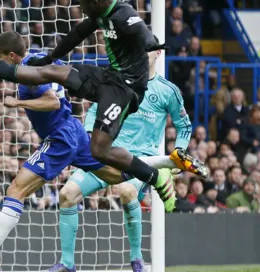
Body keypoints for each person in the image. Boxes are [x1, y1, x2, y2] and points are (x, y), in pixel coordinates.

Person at [0, 32, 203, 271]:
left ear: (12, 57)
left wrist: (18, 102)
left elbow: (51, 100)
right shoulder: (37, 57)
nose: (0, 63)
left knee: (16, 189)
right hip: (74, 130)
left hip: (61, 136)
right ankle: (165, 165)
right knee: (116, 175)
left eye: (0, 58)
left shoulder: (29, 73)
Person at [0, 0, 183, 212]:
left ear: (95, 1)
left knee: (100, 150)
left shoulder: (123, 14)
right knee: (50, 70)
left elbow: (140, 31)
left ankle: (156, 177)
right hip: (109, 77)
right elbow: (77, 34)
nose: (81, 9)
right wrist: (49, 57)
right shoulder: (100, 14)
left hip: (125, 89)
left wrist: (150, 44)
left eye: (83, 4)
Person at [52, 41, 201, 272]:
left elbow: (184, 126)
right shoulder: (118, 82)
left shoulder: (167, 91)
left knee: (127, 190)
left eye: (147, 48)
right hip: (107, 154)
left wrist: (179, 152)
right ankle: (67, 263)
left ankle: (136, 258)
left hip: (141, 160)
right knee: (67, 194)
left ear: (158, 53)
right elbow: (93, 112)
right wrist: (89, 134)